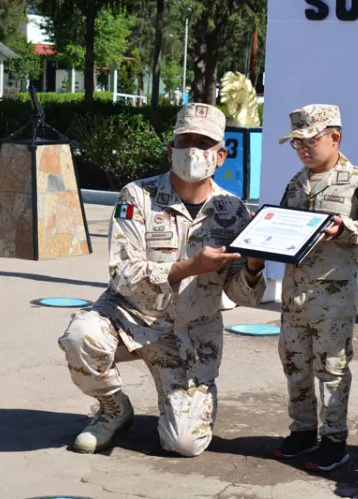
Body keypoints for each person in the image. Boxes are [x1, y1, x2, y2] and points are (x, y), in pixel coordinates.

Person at [58, 103, 266, 457]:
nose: (193, 151)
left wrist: (254, 266)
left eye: (204, 143)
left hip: (189, 335)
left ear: (221, 155)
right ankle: (113, 409)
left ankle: (179, 404)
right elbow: (123, 273)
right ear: (171, 149)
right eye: (185, 141)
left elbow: (242, 295)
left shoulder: (234, 212)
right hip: (130, 319)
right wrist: (188, 267)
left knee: (184, 444)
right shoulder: (137, 197)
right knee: (81, 336)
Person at [273, 104, 358, 471]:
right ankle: (303, 432)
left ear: (335, 137)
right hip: (294, 297)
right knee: (294, 364)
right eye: (297, 144)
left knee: (332, 370)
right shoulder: (296, 182)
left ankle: (335, 439)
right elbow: (281, 224)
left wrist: (347, 230)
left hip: (333, 297)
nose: (304, 150)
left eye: (310, 141)